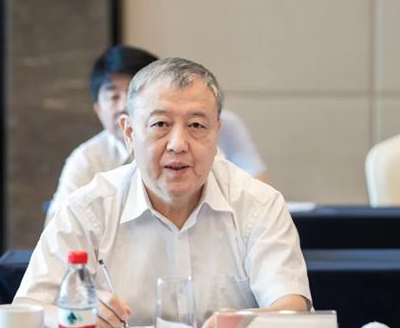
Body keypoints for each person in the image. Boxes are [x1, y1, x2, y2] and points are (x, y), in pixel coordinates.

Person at [15, 58, 311, 328]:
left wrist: (247, 321)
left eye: (196, 125)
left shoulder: (258, 203)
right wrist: (76, 314)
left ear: (216, 133)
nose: (178, 144)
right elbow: (27, 308)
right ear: (129, 133)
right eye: (160, 124)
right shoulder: (88, 208)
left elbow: (292, 306)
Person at [45, 45, 267, 223]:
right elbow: (59, 229)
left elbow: (253, 193)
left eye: (132, 92)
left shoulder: (207, 155)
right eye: (113, 97)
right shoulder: (87, 159)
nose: (124, 105)